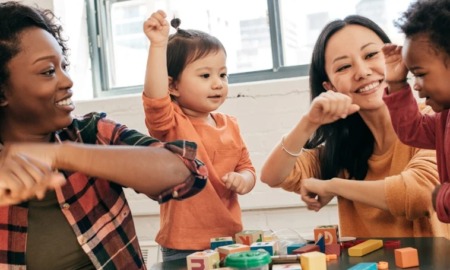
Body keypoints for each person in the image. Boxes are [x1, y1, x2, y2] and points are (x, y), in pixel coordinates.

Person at [0, 2, 208, 269]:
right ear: (3, 91)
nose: (68, 82)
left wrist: (61, 154)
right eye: (48, 71)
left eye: (64, 66)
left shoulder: (92, 133)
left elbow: (186, 171)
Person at [260, 15, 450, 238]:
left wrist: (333, 186)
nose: (362, 72)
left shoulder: (433, 121)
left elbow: (419, 194)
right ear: (330, 86)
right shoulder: (342, 148)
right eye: (344, 67)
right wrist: (309, 122)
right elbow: (273, 176)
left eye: (370, 55)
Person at [142, 10, 256, 261]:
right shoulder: (171, 124)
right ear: (172, 86)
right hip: (183, 245)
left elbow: (248, 168)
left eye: (223, 74)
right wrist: (158, 46)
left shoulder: (231, 125)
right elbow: (155, 98)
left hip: (230, 240)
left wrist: (243, 179)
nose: (218, 83)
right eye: (205, 75)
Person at [382, 0, 450, 224]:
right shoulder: (444, 117)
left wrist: (440, 196)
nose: (417, 85)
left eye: (420, 74)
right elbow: (412, 130)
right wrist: (397, 83)